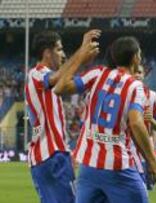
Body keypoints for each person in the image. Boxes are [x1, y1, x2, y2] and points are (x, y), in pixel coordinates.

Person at [53, 36, 156, 203]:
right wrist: (153, 160)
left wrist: (80, 57)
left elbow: (59, 88)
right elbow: (136, 123)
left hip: (89, 165)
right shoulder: (135, 87)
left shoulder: (97, 73)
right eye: (140, 54)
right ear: (135, 57)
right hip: (118, 167)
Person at [25, 30, 99, 203]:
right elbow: (58, 77)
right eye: (59, 49)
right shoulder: (37, 73)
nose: (63, 55)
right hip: (51, 156)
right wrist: (81, 53)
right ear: (47, 53)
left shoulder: (47, 79)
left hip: (53, 155)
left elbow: (63, 79)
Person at [132, 64, 156, 190]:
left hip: (145, 149)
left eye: (139, 72)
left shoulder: (153, 96)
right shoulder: (124, 94)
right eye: (134, 72)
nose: (137, 75)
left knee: (145, 190)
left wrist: (153, 149)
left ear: (144, 75)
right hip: (127, 150)